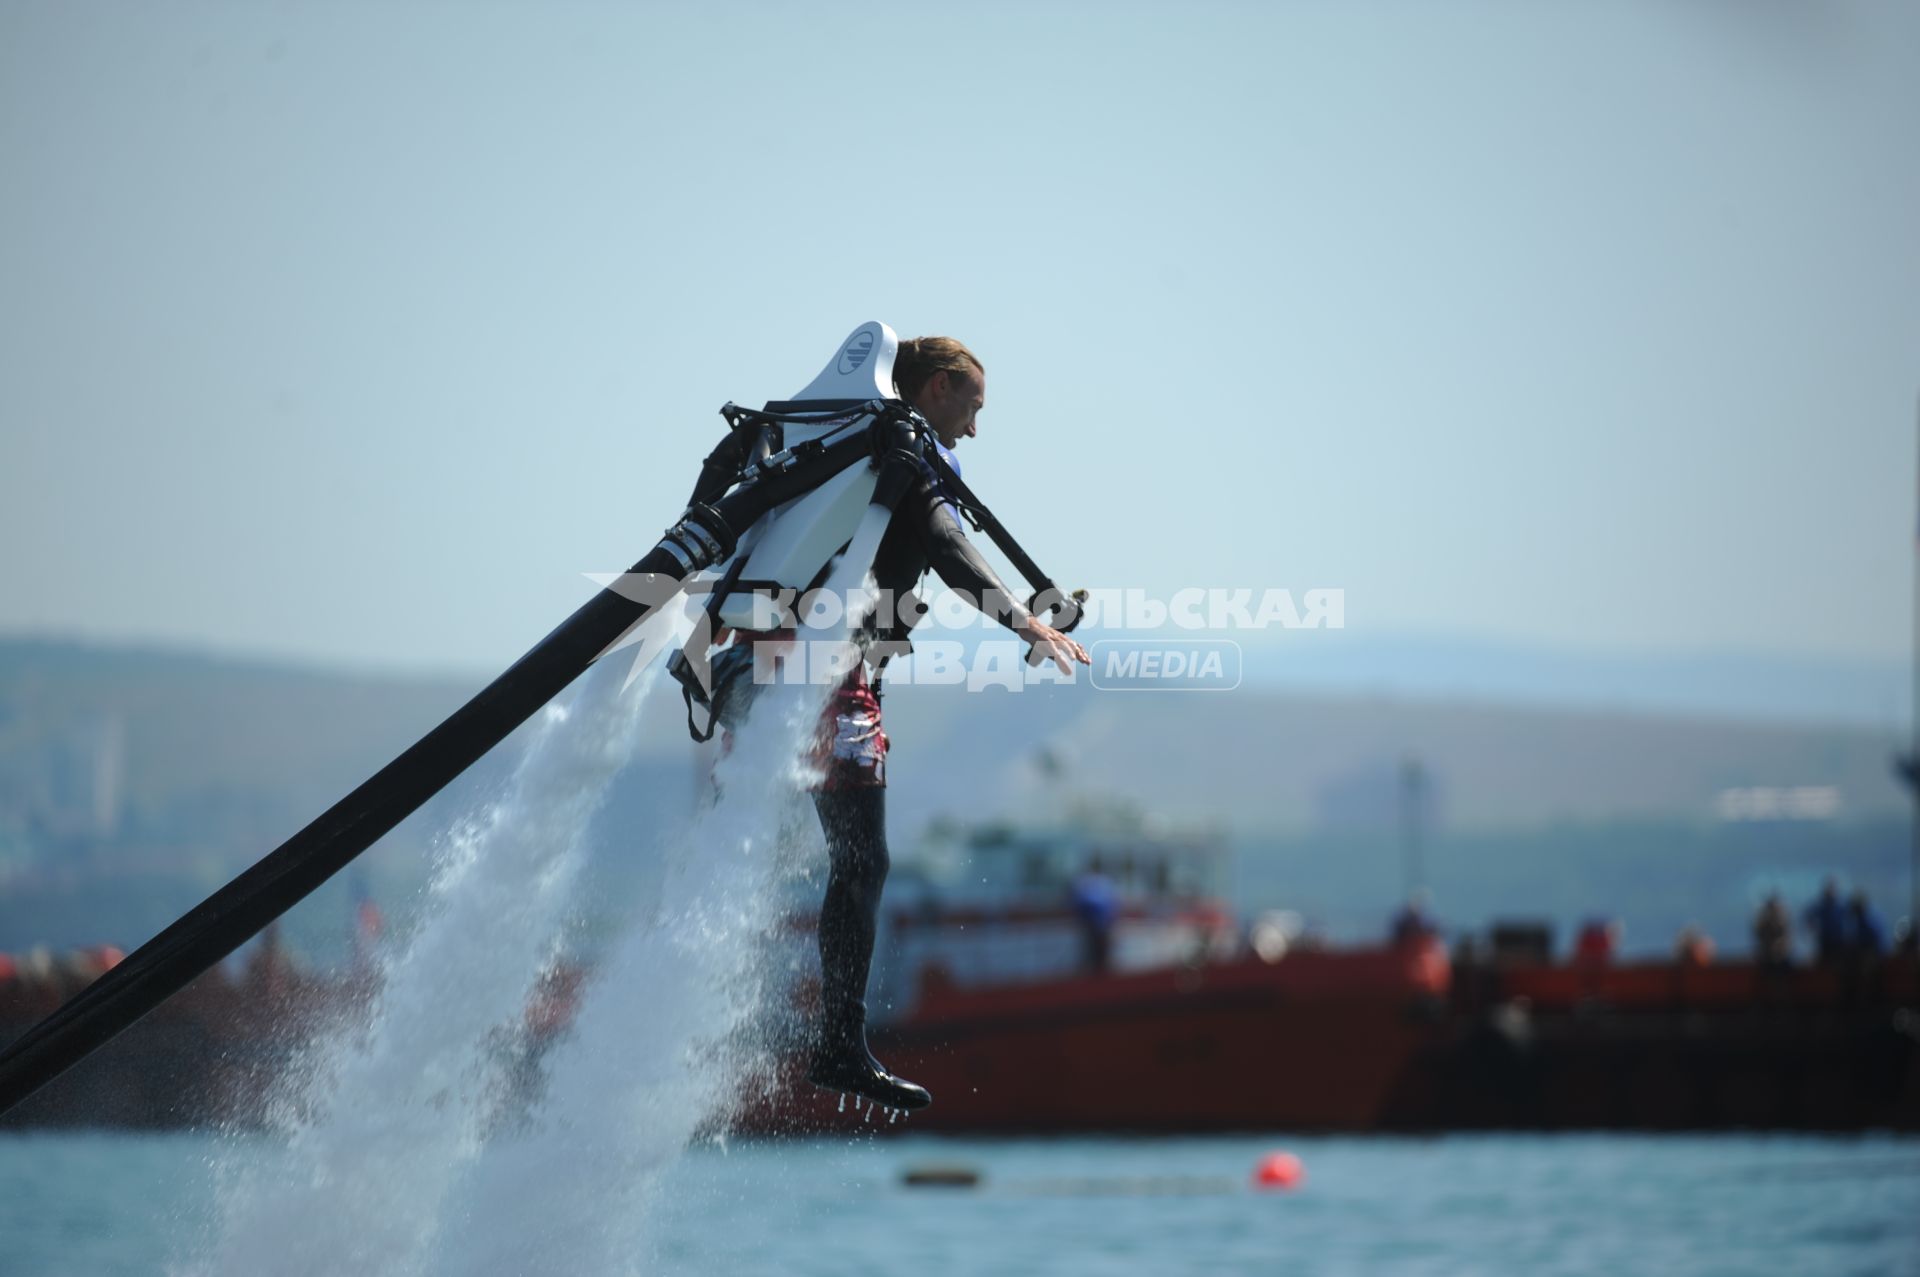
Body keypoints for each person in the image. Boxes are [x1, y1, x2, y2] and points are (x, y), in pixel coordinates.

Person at [719, 336, 1090, 1113]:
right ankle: (838, 1044)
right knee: (863, 861)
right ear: (936, 386)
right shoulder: (901, 452)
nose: (974, 430)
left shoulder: (820, 441)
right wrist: (1024, 623)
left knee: (832, 856)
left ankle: (824, 1034)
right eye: (972, 406)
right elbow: (950, 546)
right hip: (825, 671)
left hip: (760, 664)